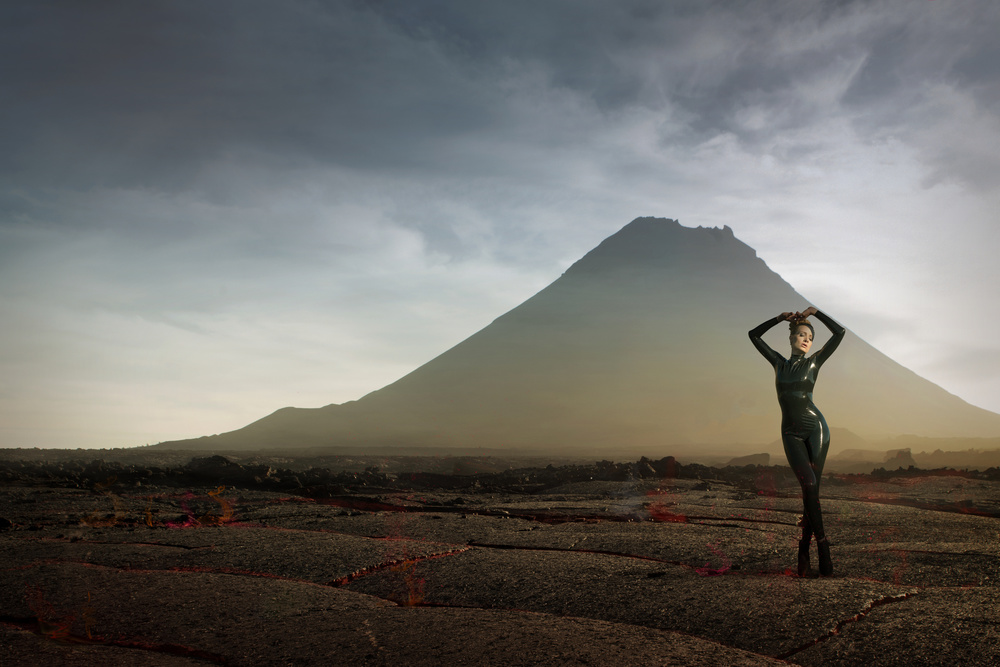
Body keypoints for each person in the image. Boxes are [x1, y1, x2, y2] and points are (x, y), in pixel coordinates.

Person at [748, 306, 845, 576]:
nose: (806, 340)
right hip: (790, 432)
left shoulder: (814, 362)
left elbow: (839, 333)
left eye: (809, 337)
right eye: (801, 335)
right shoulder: (779, 363)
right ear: (791, 338)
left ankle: (811, 551)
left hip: (816, 429)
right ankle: (815, 547)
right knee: (809, 485)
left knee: (811, 490)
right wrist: (778, 318)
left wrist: (817, 313)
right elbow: (753, 335)